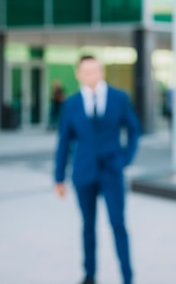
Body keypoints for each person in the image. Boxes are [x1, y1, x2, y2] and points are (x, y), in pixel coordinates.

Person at [54, 56, 141, 284]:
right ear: (78, 74)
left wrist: (124, 159)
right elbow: (64, 141)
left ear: (102, 72)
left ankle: (127, 276)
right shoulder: (71, 104)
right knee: (88, 226)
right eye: (86, 71)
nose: (91, 75)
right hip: (83, 172)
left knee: (118, 224)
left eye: (95, 70)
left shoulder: (119, 98)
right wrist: (59, 177)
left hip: (112, 171)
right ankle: (90, 275)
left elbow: (134, 130)